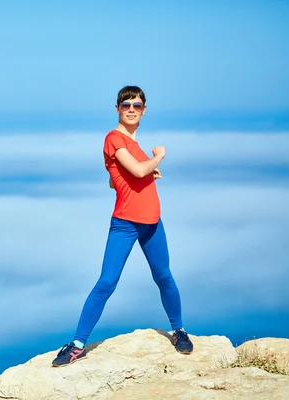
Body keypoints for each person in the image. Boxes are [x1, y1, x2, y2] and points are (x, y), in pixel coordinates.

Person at [51, 85, 193, 367]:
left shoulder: (135, 146)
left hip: (152, 222)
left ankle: (178, 331)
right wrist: (158, 157)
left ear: (144, 110)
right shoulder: (113, 138)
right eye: (126, 104)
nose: (131, 109)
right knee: (106, 282)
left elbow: (116, 179)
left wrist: (146, 168)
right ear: (117, 108)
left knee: (164, 277)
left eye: (137, 105)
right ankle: (78, 344)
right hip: (126, 223)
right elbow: (138, 171)